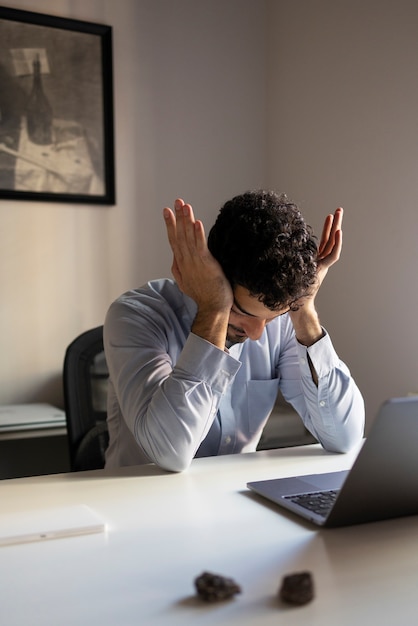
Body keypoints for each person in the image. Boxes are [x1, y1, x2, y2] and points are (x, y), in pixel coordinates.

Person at [103, 190, 364, 472]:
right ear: (211, 272)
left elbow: (344, 437)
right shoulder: (135, 315)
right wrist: (214, 309)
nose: (256, 334)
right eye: (242, 313)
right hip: (141, 503)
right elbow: (170, 453)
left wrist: (304, 307)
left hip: (238, 500)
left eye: (274, 316)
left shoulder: (282, 323)